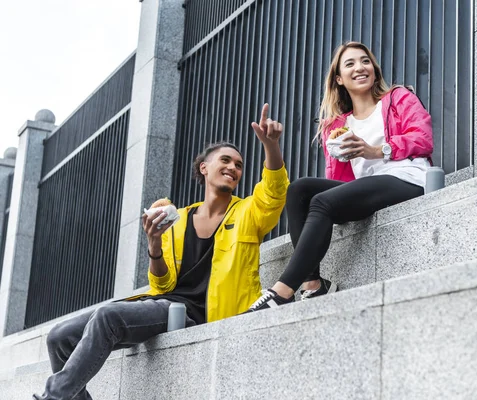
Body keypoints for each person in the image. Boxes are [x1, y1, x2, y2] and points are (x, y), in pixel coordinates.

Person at [34, 104, 289, 400]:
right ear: (204, 167)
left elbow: (273, 192)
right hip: (166, 304)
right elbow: (162, 286)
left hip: (202, 314)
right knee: (58, 337)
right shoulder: (176, 219)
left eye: (239, 164)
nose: (233, 167)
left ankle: (51, 398)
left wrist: (271, 146)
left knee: (107, 316)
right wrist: (154, 246)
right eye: (226, 160)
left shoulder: (247, 212)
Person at [246, 42, 433, 312]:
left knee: (321, 202)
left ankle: (282, 291)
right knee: (300, 189)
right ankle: (313, 285)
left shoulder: (398, 98)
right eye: (350, 64)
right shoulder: (337, 125)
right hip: (368, 189)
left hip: (407, 178)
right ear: (339, 78)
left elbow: (423, 139)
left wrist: (375, 150)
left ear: (374, 69)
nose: (360, 67)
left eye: (365, 61)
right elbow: (341, 181)